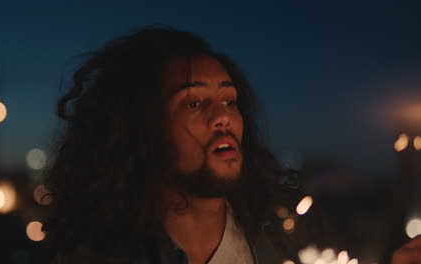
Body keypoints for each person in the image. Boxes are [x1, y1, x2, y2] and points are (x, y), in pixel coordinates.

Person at [42, 26, 421, 264]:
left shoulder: (286, 227)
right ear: (141, 128)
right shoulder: (104, 253)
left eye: (229, 100)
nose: (222, 116)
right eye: (193, 102)